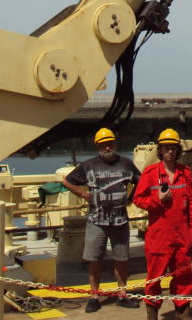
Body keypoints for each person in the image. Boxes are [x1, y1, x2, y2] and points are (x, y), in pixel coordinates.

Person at [62, 127, 142, 313]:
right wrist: (82, 193)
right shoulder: (88, 165)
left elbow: (140, 181)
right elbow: (67, 181)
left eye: (110, 144)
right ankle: (94, 296)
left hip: (120, 221)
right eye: (103, 145)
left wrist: (131, 198)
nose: (107, 147)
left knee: (121, 259)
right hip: (96, 221)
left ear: (115, 144)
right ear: (98, 146)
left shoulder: (126, 164)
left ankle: (122, 294)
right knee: (94, 259)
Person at [133, 129, 192, 320]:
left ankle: (183, 313)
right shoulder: (151, 173)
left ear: (177, 150)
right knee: (154, 278)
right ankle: (152, 315)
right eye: (166, 148)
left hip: (182, 235)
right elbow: (138, 199)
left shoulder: (185, 172)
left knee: (184, 276)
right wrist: (158, 199)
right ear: (160, 150)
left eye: (173, 148)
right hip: (159, 236)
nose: (170, 151)